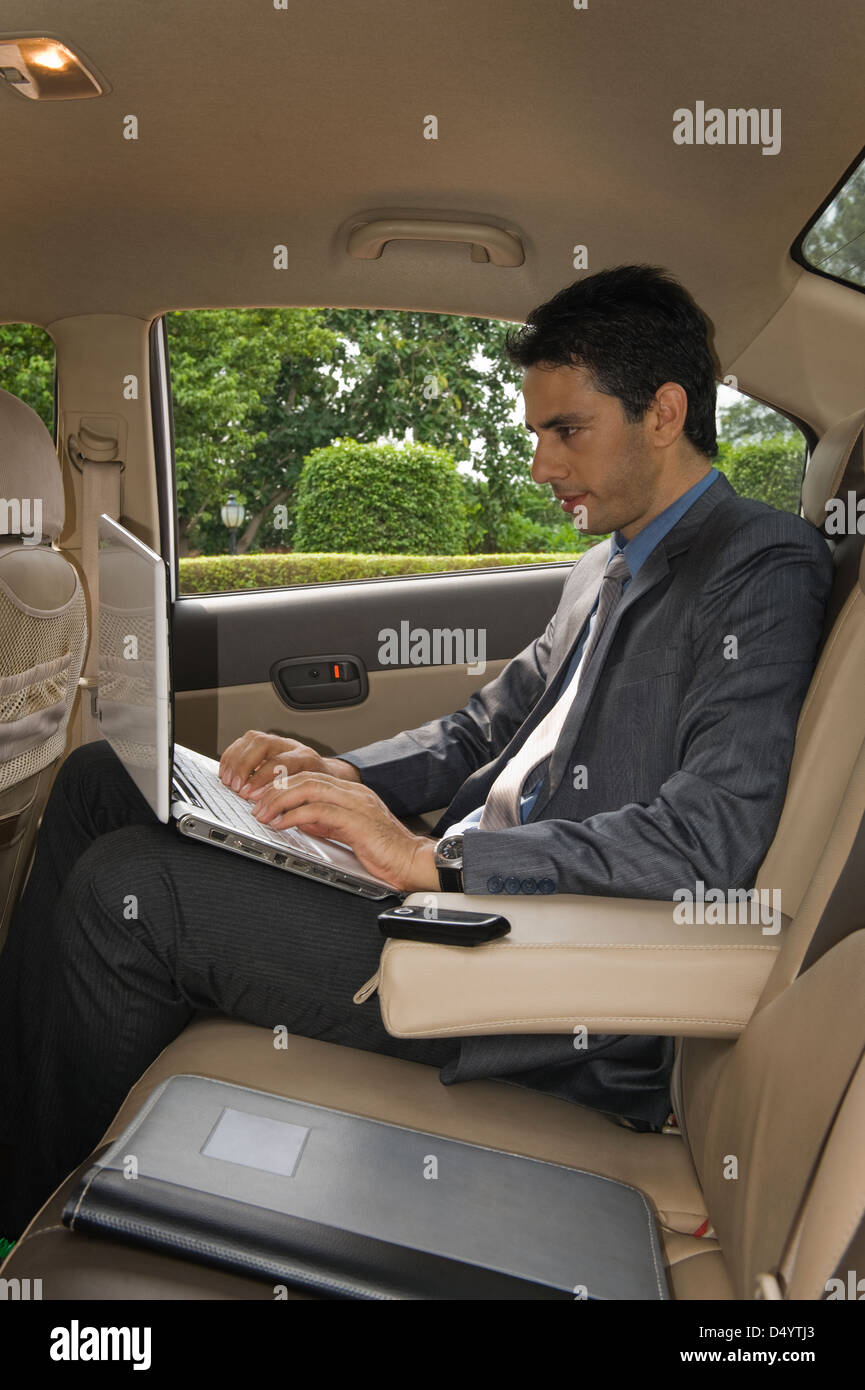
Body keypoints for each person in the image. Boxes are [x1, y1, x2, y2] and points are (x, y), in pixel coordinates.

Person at [0, 265, 833, 1240]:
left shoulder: (760, 566)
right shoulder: (608, 564)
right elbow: (478, 731)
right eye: (532, 434)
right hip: (452, 903)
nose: (538, 465)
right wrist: (336, 775)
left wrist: (436, 858)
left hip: (544, 965)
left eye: (566, 430)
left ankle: (27, 1216)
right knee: (102, 778)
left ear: (665, 412)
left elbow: (711, 837)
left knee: (126, 890)